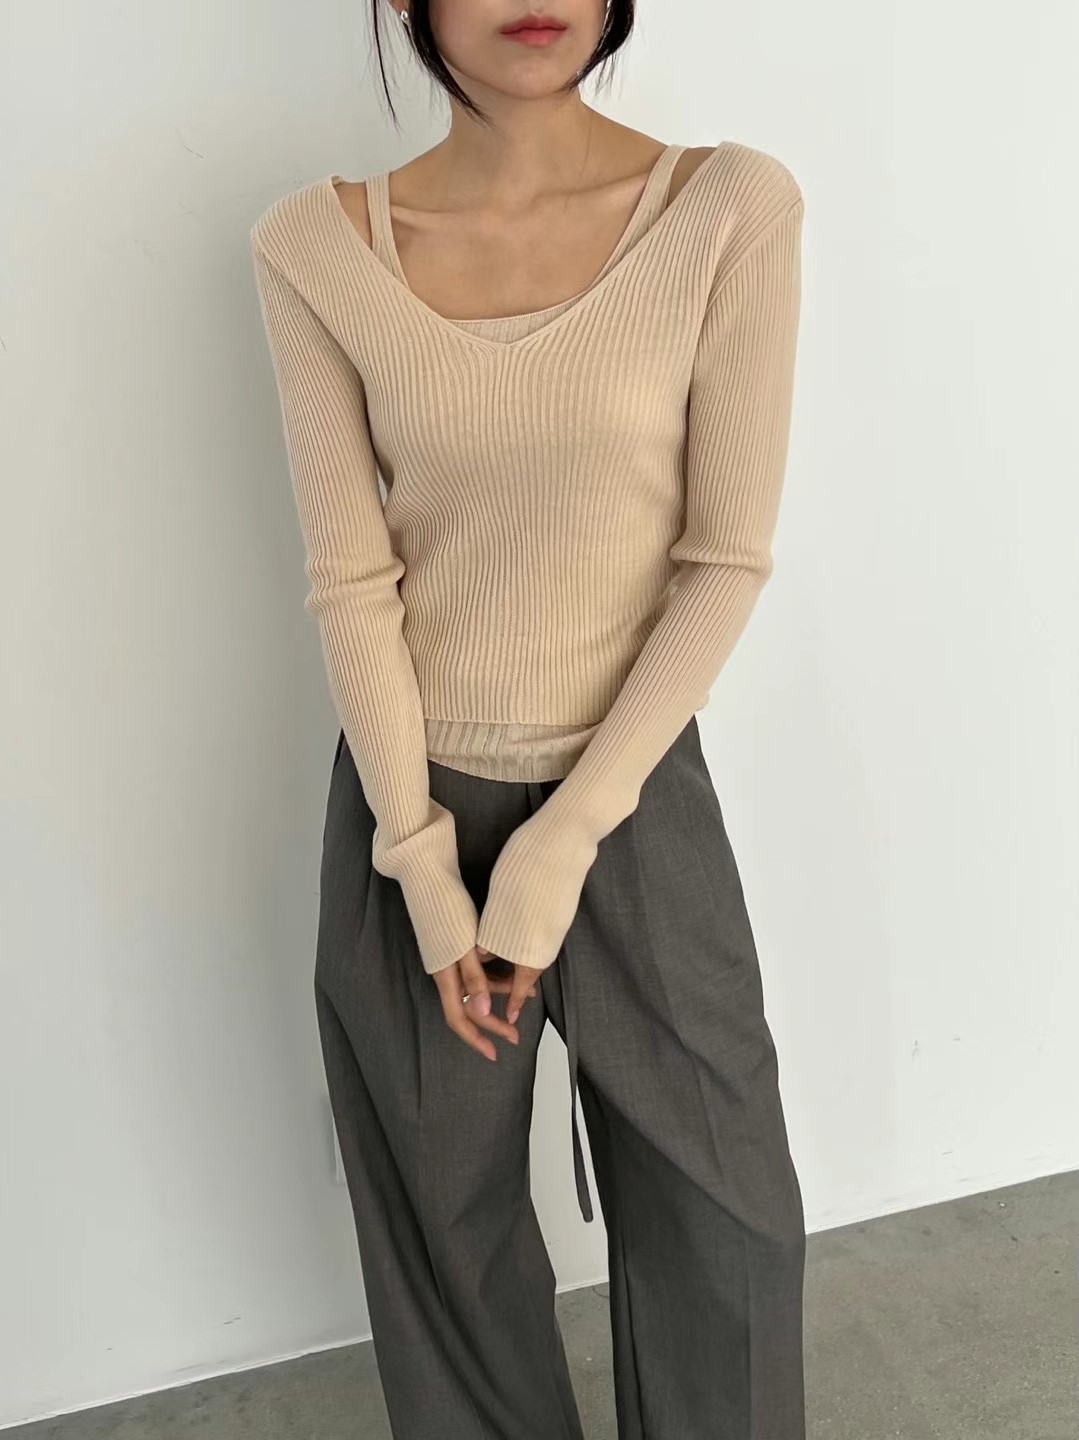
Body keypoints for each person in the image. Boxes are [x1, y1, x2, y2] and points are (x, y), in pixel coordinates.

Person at [249, 2, 807, 1435]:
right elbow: (351, 581)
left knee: (725, 1230)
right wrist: (423, 867)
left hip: (632, 798)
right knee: (446, 1246)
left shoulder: (725, 209)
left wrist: (562, 843)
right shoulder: (317, 248)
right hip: (410, 807)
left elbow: (723, 558)